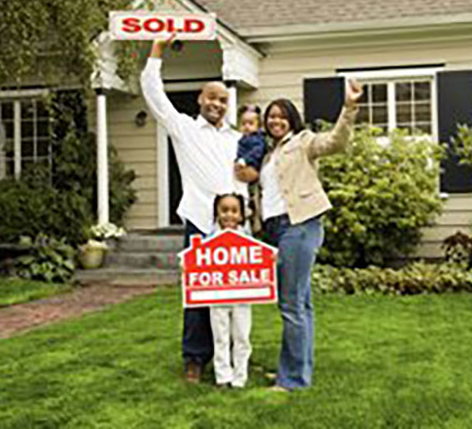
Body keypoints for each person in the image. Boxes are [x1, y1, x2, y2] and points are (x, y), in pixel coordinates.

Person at [239, 80, 362, 391]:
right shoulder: (268, 154)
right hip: (277, 229)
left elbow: (336, 142)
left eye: (281, 116)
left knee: (291, 304)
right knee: (300, 304)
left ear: (292, 119)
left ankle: (292, 379)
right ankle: (294, 370)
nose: (275, 121)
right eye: (271, 117)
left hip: (300, 225)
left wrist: (348, 108)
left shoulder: (304, 141)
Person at [140, 38, 252, 383]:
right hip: (200, 224)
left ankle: (235, 360)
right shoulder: (184, 129)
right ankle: (194, 358)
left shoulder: (236, 138)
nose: (217, 103)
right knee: (197, 295)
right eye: (211, 98)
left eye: (223, 99)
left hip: (235, 229)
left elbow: (248, 179)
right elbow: (154, 93)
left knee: (235, 299)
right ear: (200, 100)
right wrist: (157, 50)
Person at [209, 193, 252, 389]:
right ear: (217, 213)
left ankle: (240, 376)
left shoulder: (248, 239)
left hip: (242, 298)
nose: (229, 215)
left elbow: (257, 262)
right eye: (224, 210)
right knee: (220, 336)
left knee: (242, 336)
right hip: (217, 297)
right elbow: (199, 262)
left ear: (241, 215)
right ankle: (222, 375)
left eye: (234, 211)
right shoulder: (209, 239)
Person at [235, 105, 266, 171]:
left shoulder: (257, 139)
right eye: (243, 124)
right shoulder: (242, 138)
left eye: (251, 123)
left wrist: (245, 160)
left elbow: (257, 152)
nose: (246, 126)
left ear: (258, 126)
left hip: (253, 165)